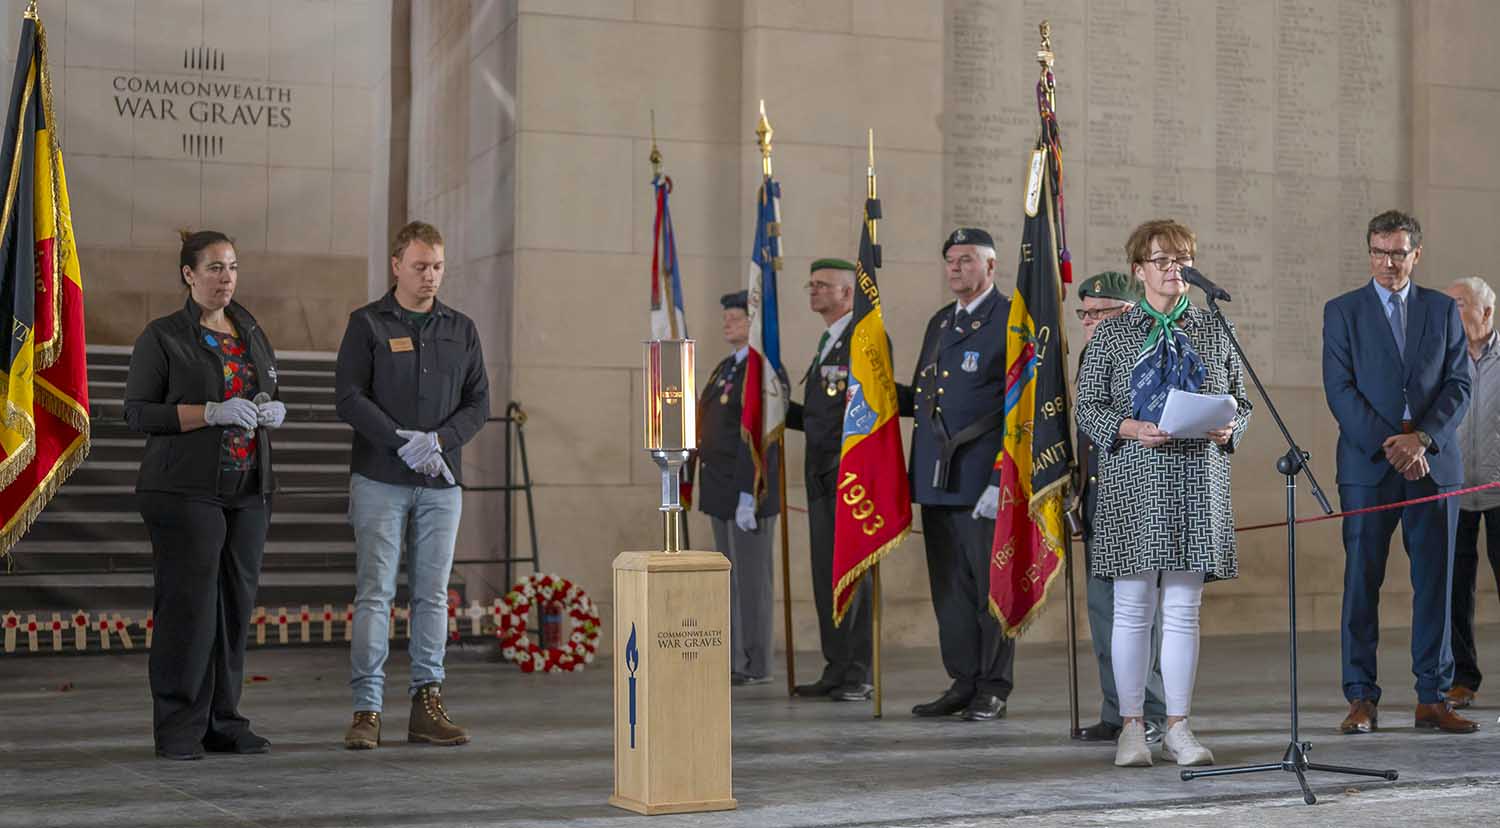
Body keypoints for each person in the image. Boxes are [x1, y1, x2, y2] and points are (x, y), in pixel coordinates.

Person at [1076, 219, 1252, 768]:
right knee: (1131, 609)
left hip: (1196, 482)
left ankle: (1178, 725)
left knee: (1182, 610)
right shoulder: (1113, 334)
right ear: (1139, 270)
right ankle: (1133, 726)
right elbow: (1088, 408)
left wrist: (1229, 428)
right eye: (1161, 260)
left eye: (1181, 258)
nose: (1173, 268)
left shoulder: (1212, 327)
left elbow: (1240, 401)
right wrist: (1130, 428)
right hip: (1134, 481)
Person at [125, 230, 287, 760]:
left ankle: (223, 719)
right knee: (190, 609)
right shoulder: (164, 336)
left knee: (234, 608)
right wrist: (210, 413)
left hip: (247, 486)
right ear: (189, 274)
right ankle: (178, 724)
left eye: (233, 267)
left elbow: (263, 383)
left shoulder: (249, 328)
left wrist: (270, 406)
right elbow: (138, 412)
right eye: (215, 268)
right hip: (184, 489)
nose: (227, 278)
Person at [336, 221, 490, 749]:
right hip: (381, 477)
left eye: (438, 267)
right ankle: (367, 710)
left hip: (441, 484)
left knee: (432, 597)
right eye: (421, 266)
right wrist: (400, 442)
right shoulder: (367, 324)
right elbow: (349, 396)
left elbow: (479, 402)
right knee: (375, 594)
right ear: (397, 265)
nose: (430, 276)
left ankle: (427, 703)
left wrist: (442, 440)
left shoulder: (461, 328)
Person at [1324, 210, 1476, 736]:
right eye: (1379, 252)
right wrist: (1393, 446)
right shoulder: (1342, 311)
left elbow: (1460, 382)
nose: (1388, 263)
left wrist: (1423, 440)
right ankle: (1361, 698)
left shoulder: (1441, 310)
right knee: (1362, 582)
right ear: (1369, 252)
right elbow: (1340, 391)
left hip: (1434, 465)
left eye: (1398, 253)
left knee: (1436, 581)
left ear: (1417, 254)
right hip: (1369, 465)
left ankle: (1433, 697)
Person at [901, 228, 1014, 723]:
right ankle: (963, 679)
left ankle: (993, 685)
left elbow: (1020, 410)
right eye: (950, 260)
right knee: (949, 588)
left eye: (966, 260)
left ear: (990, 267)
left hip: (981, 479)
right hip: (937, 478)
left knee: (991, 586)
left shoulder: (1010, 320)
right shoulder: (940, 322)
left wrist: (999, 479)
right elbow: (929, 399)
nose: (955, 268)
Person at [1071, 271, 1167, 745]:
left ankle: (1150, 711)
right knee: (1103, 610)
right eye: (1084, 313)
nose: (1088, 322)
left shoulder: (1142, 355)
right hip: (1096, 498)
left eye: (1098, 312)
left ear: (1127, 312)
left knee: (1140, 614)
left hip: (1135, 499)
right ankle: (1118, 709)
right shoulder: (1092, 354)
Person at [786, 258, 874, 702]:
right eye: (811, 284)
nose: (813, 291)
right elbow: (821, 417)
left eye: (823, 285)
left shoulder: (863, 340)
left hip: (849, 477)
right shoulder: (828, 343)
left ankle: (858, 671)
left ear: (847, 294)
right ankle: (835, 665)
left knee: (851, 574)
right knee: (825, 576)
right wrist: (779, 409)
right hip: (821, 474)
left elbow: (865, 413)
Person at [696, 290, 781, 686]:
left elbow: (763, 436)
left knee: (751, 579)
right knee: (727, 579)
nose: (728, 322)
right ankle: (734, 657)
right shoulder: (726, 368)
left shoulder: (763, 372)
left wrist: (750, 491)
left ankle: (755, 660)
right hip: (718, 487)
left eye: (737, 317)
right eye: (727, 316)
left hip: (747, 489)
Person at [1442, 276, 1498, 710]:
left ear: (1486, 312)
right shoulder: (1442, 359)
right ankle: (1463, 678)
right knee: (1455, 591)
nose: (1450, 310)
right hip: (1453, 491)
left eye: (1458, 303)